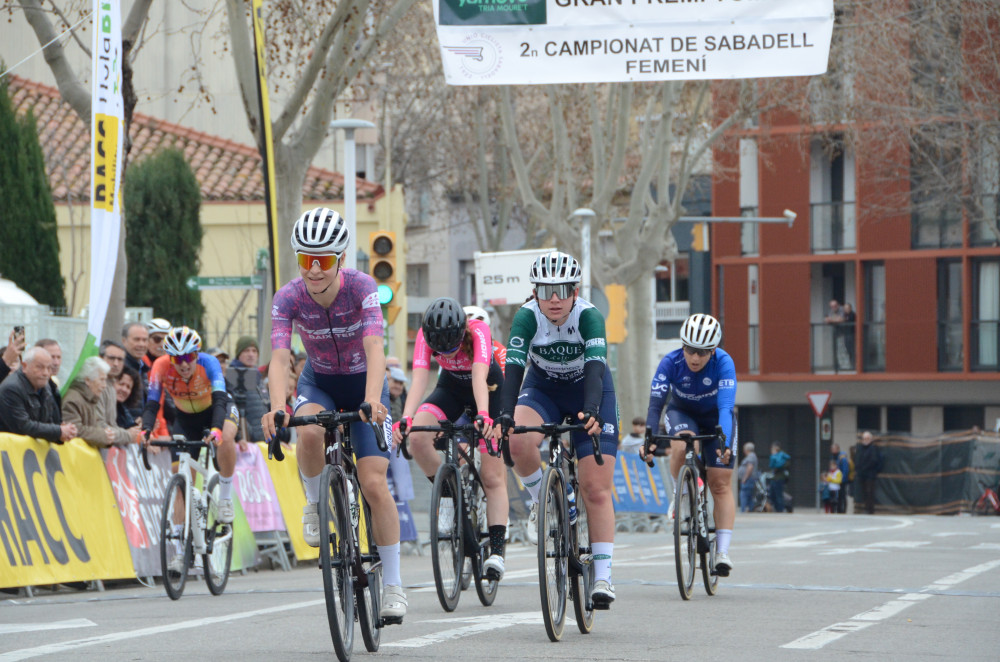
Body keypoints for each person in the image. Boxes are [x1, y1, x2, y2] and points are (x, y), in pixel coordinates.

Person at [260, 207, 406, 623]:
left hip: (364, 385)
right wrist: (277, 406)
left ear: (340, 259)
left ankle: (394, 585)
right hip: (318, 382)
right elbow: (280, 357)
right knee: (307, 434)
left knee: (374, 481)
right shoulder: (287, 297)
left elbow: (375, 347)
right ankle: (313, 503)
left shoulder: (362, 287)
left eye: (323, 260)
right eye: (307, 260)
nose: (315, 270)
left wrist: (373, 399)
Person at [493, 251, 619, 608]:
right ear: (535, 292)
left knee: (595, 488)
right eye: (546, 290)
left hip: (589, 391)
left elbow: (595, 369)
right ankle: (543, 500)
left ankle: (604, 576)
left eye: (562, 289)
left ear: (575, 290)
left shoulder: (589, 316)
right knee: (517, 439)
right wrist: (504, 414)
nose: (554, 298)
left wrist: (592, 411)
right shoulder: (527, 317)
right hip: (544, 388)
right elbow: (514, 370)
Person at [392, 297, 508, 580]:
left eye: (451, 344)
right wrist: (407, 417)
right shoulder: (424, 334)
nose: (446, 350)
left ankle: (496, 550)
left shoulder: (479, 330)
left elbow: (480, 375)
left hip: (489, 391)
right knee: (418, 437)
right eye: (440, 346)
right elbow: (420, 378)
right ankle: (448, 494)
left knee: (492, 475)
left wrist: (483, 415)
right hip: (451, 388)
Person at [643, 313, 738, 577]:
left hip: (715, 419)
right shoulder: (670, 363)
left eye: (703, 352)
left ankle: (722, 551)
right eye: (689, 350)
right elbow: (655, 405)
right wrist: (649, 438)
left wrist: (724, 441)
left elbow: (726, 407)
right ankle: (681, 491)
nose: (695, 358)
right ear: (682, 346)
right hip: (682, 413)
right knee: (681, 443)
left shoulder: (724, 364)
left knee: (720, 482)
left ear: (713, 351)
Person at [141, 326, 240, 528]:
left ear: (197, 354)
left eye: (189, 357)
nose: (184, 364)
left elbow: (220, 399)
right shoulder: (160, 367)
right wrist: (146, 430)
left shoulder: (209, 362)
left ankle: (225, 498)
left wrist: (216, 429)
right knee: (181, 482)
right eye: (177, 359)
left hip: (216, 409)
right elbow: (152, 403)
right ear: (170, 358)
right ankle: (179, 545)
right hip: (186, 419)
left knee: (226, 438)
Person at [0, 346, 76, 443]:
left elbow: (48, 422)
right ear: (24, 366)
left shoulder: (46, 387)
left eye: (49, 368)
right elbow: (24, 426)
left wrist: (63, 433)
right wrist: (58, 431)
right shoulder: (11, 389)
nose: (45, 373)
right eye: (39, 367)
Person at [61, 357, 119, 448]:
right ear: (87, 380)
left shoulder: (90, 399)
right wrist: (103, 436)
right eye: (102, 380)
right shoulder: (73, 400)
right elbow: (75, 430)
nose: (104, 386)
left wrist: (107, 435)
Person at [854, 431, 883, 514]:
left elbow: (873, 460)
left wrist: (864, 468)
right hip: (862, 474)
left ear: (870, 439)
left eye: (867, 438)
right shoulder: (860, 448)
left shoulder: (873, 448)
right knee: (864, 492)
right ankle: (866, 508)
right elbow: (857, 459)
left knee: (869, 491)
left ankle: (870, 509)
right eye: (864, 438)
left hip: (870, 474)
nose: (865, 440)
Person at [33, 339, 64, 412]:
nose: (56, 363)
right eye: (52, 357)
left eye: (58, 357)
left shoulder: (52, 387)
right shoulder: (32, 386)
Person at [122, 322, 151, 394]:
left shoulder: (143, 368)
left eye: (144, 340)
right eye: (136, 339)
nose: (141, 344)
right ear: (124, 341)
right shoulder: (120, 368)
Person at [115, 365, 143, 429]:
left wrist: (137, 426)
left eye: (128, 387)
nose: (124, 389)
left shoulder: (122, 409)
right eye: (121, 384)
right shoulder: (105, 405)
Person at [768, 442, 791, 513]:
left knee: (778, 494)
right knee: (772, 494)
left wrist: (778, 466)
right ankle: (777, 508)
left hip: (779, 478)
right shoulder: (774, 456)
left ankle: (780, 509)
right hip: (774, 478)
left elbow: (786, 465)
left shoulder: (783, 456)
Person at [738, 442, 759, 513]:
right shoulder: (752, 456)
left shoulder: (751, 456)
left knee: (743, 494)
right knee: (749, 495)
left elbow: (750, 467)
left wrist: (744, 478)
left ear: (746, 449)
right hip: (749, 479)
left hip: (748, 479)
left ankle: (743, 510)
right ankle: (750, 509)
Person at [831, 442, 851, 514]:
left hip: (842, 481)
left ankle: (842, 510)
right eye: (832, 449)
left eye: (833, 449)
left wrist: (842, 479)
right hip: (835, 481)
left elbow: (845, 470)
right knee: (836, 496)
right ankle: (837, 510)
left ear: (837, 449)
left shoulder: (842, 458)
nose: (832, 450)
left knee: (842, 496)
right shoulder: (833, 457)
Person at [841, 303, 857, 368]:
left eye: (847, 308)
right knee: (848, 350)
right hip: (846, 334)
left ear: (850, 308)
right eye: (845, 308)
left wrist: (840, 319)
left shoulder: (853, 315)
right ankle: (851, 364)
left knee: (853, 350)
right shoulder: (845, 315)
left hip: (852, 334)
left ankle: (854, 365)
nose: (846, 310)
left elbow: (845, 320)